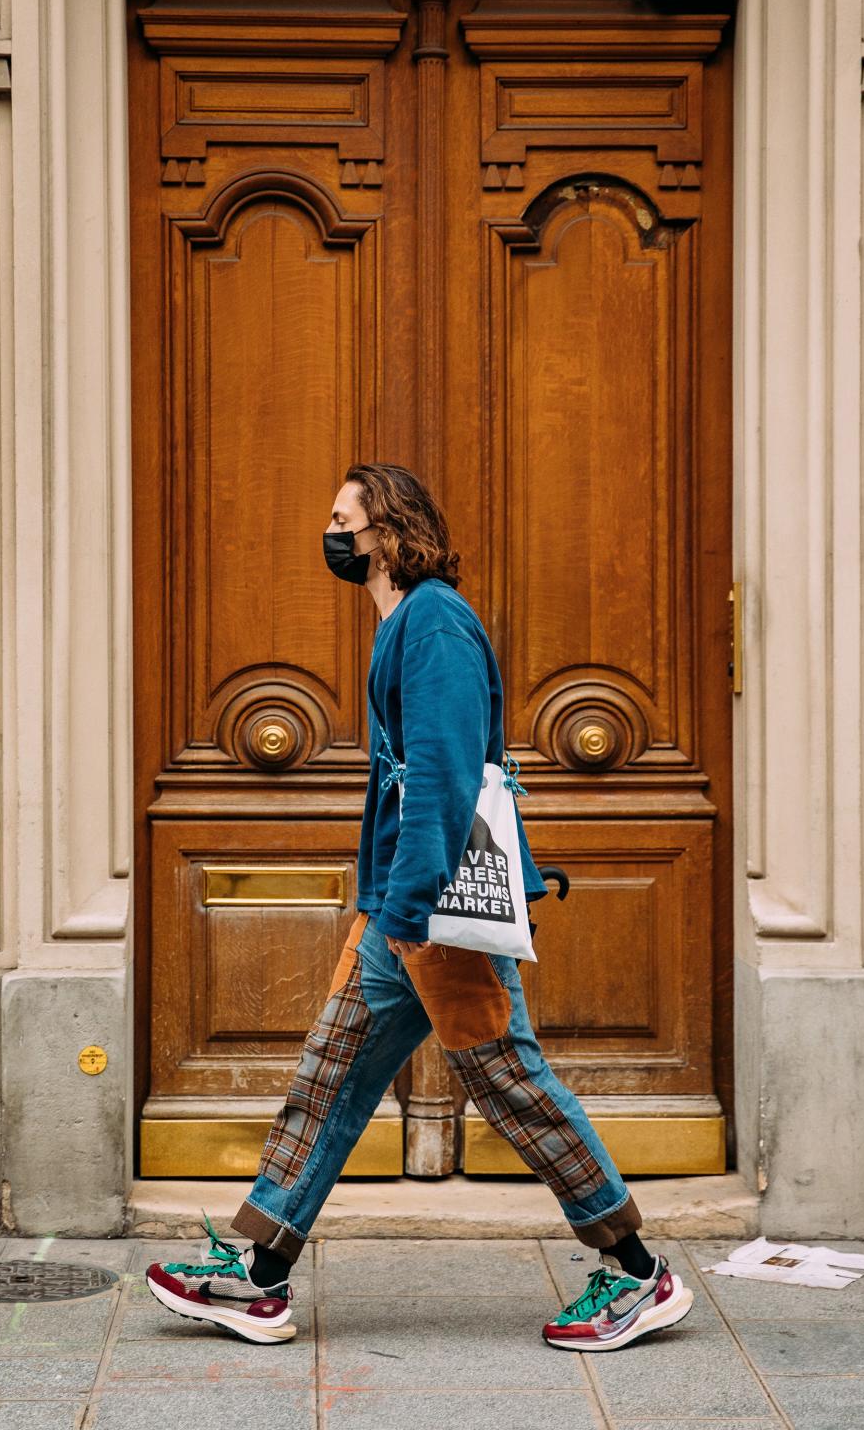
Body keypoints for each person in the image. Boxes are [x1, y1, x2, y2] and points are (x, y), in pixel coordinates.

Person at [145, 462, 694, 1350]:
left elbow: (443, 774)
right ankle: (261, 1276)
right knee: (329, 1079)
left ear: (386, 531)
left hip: (430, 910)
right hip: (401, 905)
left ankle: (637, 1273)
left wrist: (406, 905)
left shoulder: (433, 621)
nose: (329, 533)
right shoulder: (405, 621)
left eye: (340, 518)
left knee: (508, 1082)